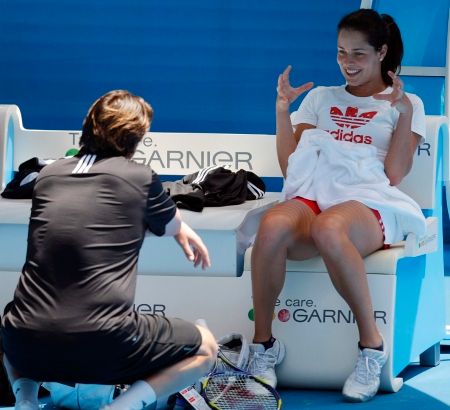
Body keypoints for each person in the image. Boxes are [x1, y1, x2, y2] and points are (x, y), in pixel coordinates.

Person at [247, 8, 426, 403]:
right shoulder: (319, 97)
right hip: (314, 192)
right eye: (341, 53)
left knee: (330, 227)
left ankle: (371, 348)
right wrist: (282, 110)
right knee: (272, 226)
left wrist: (405, 113)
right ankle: (263, 347)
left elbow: (394, 173)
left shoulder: (407, 102)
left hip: (367, 198)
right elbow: (290, 166)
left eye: (358, 54)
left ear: (381, 52)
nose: (348, 63)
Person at [0, 90, 218, 410]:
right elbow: (172, 224)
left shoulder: (49, 176)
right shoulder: (141, 178)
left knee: (15, 323)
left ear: (88, 126)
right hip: (104, 346)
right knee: (206, 348)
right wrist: (182, 229)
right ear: (136, 138)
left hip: (26, 344)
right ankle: (123, 407)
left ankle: (26, 402)